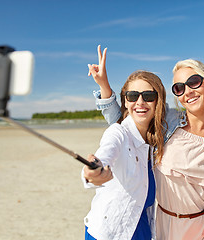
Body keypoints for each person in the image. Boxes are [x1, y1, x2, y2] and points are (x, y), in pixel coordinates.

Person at [88, 45, 204, 239]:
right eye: (179, 87)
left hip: (203, 227)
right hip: (162, 224)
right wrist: (104, 86)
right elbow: (125, 124)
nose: (188, 91)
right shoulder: (168, 122)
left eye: (194, 82)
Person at [82, 68, 167, 239]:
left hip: (142, 229)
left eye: (148, 96)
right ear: (126, 102)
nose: (140, 102)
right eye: (133, 96)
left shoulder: (156, 141)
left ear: (158, 101)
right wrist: (93, 173)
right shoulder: (118, 133)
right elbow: (105, 154)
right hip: (109, 232)